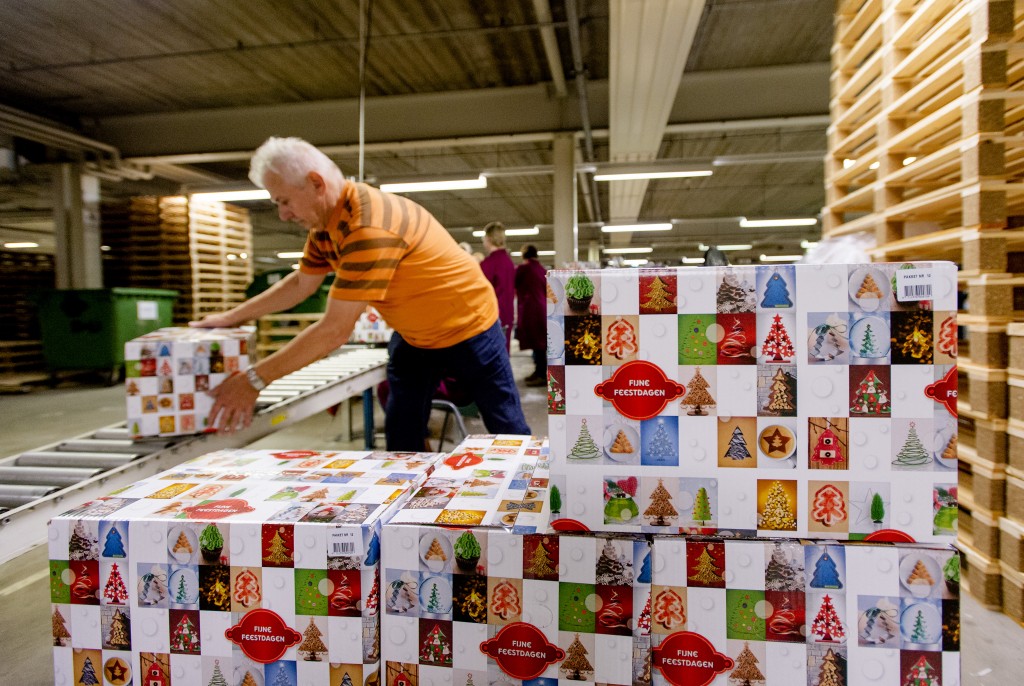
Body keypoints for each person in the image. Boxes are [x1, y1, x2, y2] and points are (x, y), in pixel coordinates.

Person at [190, 136, 530, 449]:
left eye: (284, 201)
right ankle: (411, 496)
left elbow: (335, 330)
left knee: (504, 424)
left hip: (469, 328)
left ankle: (531, 493)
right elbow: (299, 284)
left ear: (316, 184)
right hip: (416, 337)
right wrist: (231, 317)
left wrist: (253, 379)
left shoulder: (367, 227)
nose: (282, 214)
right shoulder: (325, 227)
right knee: (402, 428)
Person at [479, 221, 516, 351]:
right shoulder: (509, 262)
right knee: (504, 353)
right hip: (507, 314)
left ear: (489, 238)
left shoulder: (488, 264)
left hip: (492, 317)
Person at [514, 244, 547, 386]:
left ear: (524, 255)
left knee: (537, 342)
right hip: (543, 309)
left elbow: (512, 282)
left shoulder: (524, 269)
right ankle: (539, 370)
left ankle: (541, 374)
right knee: (541, 342)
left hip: (530, 310)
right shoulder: (542, 270)